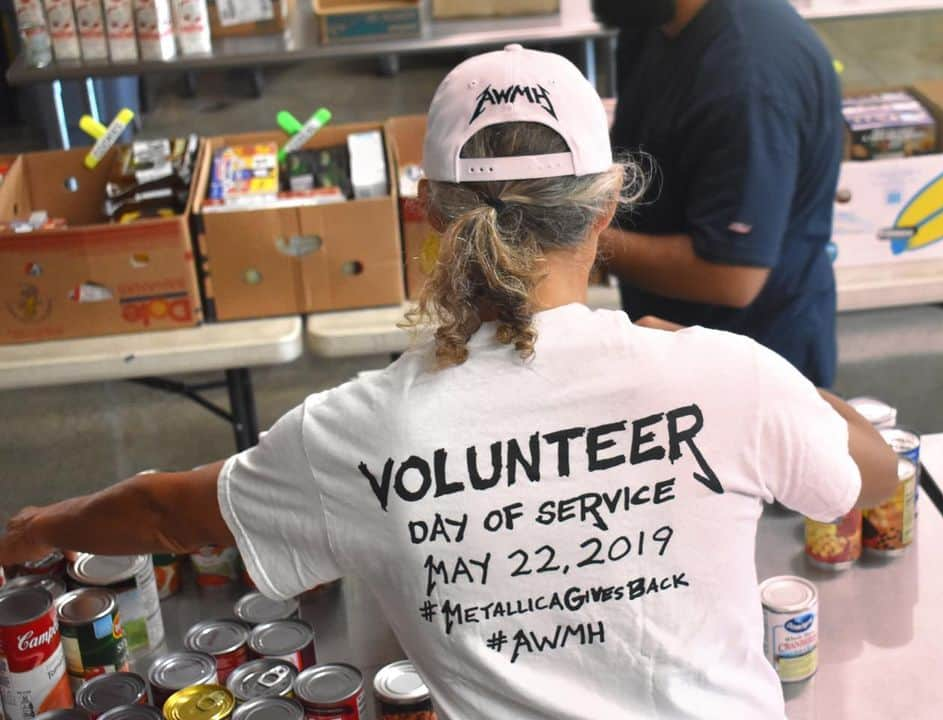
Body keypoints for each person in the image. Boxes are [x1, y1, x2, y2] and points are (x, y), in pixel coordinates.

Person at [0, 46, 896, 720]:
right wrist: (747, 366)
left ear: (431, 212)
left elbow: (166, 513)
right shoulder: (723, 376)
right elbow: (873, 476)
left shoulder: (358, 432)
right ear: (610, 201)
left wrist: (38, 528)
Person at [592, 0, 844, 387]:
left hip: (753, 375)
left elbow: (731, 276)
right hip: (674, 350)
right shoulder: (653, 22)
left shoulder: (746, 78)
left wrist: (578, 237)